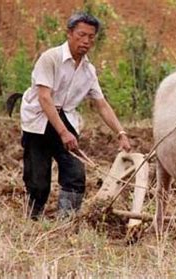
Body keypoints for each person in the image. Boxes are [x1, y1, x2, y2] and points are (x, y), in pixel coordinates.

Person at [18, 12, 131, 220]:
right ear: (69, 33)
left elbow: (101, 104)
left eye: (91, 37)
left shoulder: (89, 70)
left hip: (65, 118)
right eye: (81, 35)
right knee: (38, 182)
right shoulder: (50, 58)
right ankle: (32, 221)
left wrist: (121, 132)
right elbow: (44, 98)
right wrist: (63, 133)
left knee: (75, 174)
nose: (86, 41)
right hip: (39, 120)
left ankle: (66, 223)